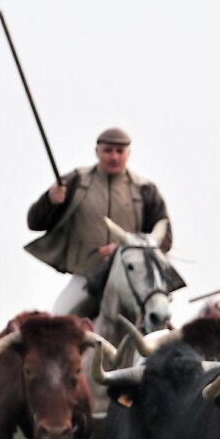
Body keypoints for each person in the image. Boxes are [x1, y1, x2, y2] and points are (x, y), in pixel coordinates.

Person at [25, 127, 173, 317]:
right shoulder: (76, 181)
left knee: (161, 321)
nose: (114, 157)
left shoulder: (145, 190)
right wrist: (50, 200)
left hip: (131, 280)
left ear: (129, 153)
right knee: (58, 319)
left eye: (120, 152)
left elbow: (165, 239)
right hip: (85, 276)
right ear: (97, 152)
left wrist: (122, 249)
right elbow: (35, 223)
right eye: (108, 151)